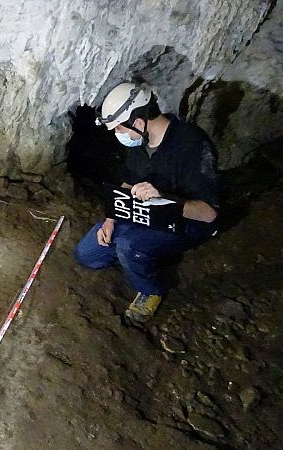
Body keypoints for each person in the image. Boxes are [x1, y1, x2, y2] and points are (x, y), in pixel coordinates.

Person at [75, 82, 221, 322]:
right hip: (146, 213)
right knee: (88, 254)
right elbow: (127, 182)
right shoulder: (141, 143)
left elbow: (208, 215)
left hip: (185, 222)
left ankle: (151, 289)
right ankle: (145, 255)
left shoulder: (192, 144)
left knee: (128, 245)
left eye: (119, 128)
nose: (118, 135)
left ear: (139, 122)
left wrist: (163, 198)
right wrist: (110, 220)